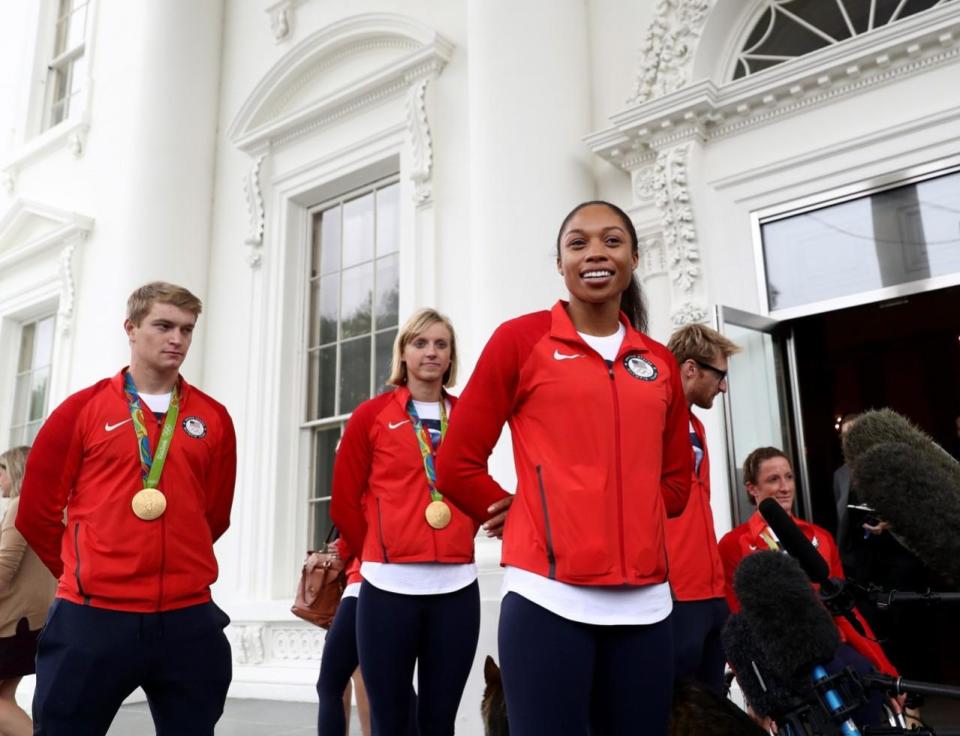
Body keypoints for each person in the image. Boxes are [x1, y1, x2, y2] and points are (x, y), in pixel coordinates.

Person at [437, 200, 692, 736]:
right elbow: (457, 463)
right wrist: (525, 510)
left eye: (612, 241)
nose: (595, 253)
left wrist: (629, 515)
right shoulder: (520, 340)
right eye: (578, 243)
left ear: (634, 257)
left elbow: (675, 484)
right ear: (560, 263)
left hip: (644, 608)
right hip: (547, 601)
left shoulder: (659, 362)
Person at [16, 282, 237, 736]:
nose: (177, 339)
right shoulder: (80, 411)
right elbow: (35, 512)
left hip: (187, 617)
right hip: (92, 616)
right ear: (131, 329)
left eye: (187, 329)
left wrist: (178, 558)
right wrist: (85, 571)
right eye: (163, 325)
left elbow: (214, 514)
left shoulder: (213, 418)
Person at [330, 308, 479, 736]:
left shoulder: (469, 416)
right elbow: (344, 503)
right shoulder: (371, 416)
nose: (431, 352)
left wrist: (469, 528)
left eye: (441, 344)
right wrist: (381, 549)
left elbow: (477, 482)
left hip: (456, 588)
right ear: (404, 354)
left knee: (439, 722)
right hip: (388, 588)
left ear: (451, 357)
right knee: (390, 720)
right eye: (420, 343)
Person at [717, 447, 897, 677]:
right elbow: (737, 626)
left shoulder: (820, 537)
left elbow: (845, 612)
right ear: (752, 488)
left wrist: (884, 667)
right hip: (782, 663)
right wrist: (758, 694)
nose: (785, 487)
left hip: (832, 649)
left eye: (789, 477)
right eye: (773, 479)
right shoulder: (734, 544)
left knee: (873, 691)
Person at [665, 323, 741, 695]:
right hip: (674, 594)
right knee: (671, 709)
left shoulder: (697, 426)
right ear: (691, 369)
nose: (724, 387)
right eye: (720, 375)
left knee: (710, 708)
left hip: (710, 594)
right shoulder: (650, 420)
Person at [0, 446, 57, 736]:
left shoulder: (20, 505)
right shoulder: (48, 506)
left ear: (15, 470)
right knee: (5, 699)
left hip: (12, 623)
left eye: (2, 471)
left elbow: (4, 566)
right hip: (31, 621)